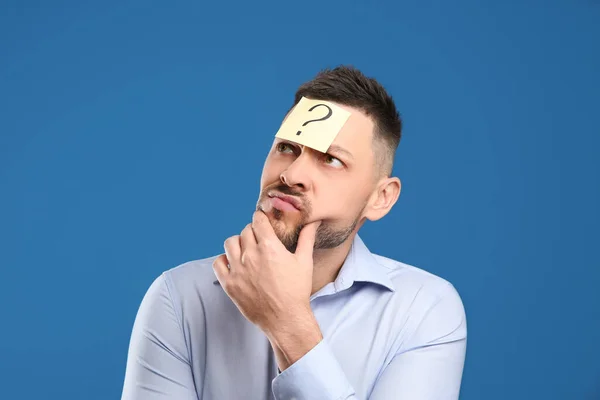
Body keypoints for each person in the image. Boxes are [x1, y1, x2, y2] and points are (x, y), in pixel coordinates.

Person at [121, 65, 467, 400]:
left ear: (380, 198)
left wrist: (287, 323)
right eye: (287, 148)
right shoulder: (179, 297)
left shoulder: (424, 309)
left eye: (331, 159)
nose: (292, 174)